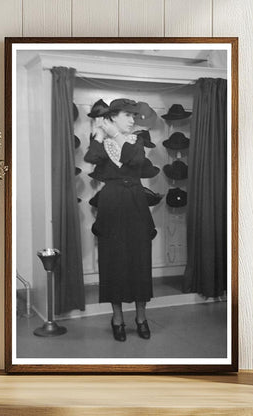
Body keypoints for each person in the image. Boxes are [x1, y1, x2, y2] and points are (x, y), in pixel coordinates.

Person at [84, 98, 156, 342]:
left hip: (135, 202)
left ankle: (141, 317)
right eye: (127, 115)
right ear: (112, 116)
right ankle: (117, 318)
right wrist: (98, 134)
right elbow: (91, 158)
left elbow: (134, 161)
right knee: (113, 261)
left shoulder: (138, 139)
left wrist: (115, 133)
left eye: (133, 115)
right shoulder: (103, 142)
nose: (132, 119)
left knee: (140, 260)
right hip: (112, 203)